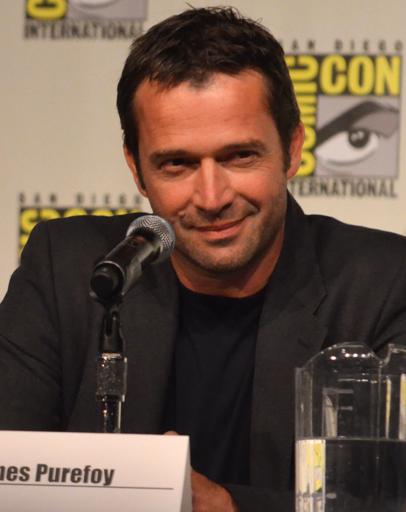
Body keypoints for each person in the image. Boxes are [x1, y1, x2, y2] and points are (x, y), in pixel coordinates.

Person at [1, 6, 406, 512]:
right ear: (136, 168)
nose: (212, 197)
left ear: (293, 147)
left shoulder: (384, 284)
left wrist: (230, 507)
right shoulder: (69, 267)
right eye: (178, 164)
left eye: (239, 156)